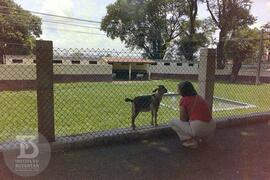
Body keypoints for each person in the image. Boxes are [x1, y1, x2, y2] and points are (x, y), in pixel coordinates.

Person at [169, 81, 216, 148]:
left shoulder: (184, 99)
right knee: (196, 123)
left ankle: (190, 141)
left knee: (172, 121)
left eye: (178, 89)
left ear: (183, 90)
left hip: (199, 128)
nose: (177, 90)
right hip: (211, 126)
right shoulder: (199, 97)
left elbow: (183, 119)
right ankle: (204, 138)